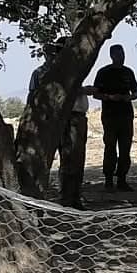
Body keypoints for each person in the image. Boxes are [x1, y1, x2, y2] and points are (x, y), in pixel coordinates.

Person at [29, 61, 91, 209]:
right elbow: (35, 94)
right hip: (58, 118)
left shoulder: (74, 70)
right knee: (62, 158)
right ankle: (62, 198)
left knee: (74, 159)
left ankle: (73, 196)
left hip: (74, 117)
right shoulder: (42, 72)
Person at [91, 45, 137, 192]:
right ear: (112, 55)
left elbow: (136, 92)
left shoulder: (128, 72)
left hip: (126, 115)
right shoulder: (104, 72)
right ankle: (108, 180)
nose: (121, 56)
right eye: (118, 54)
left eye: (123, 53)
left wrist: (128, 97)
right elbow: (95, 94)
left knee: (125, 148)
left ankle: (122, 179)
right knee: (110, 147)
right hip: (110, 116)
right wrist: (109, 97)